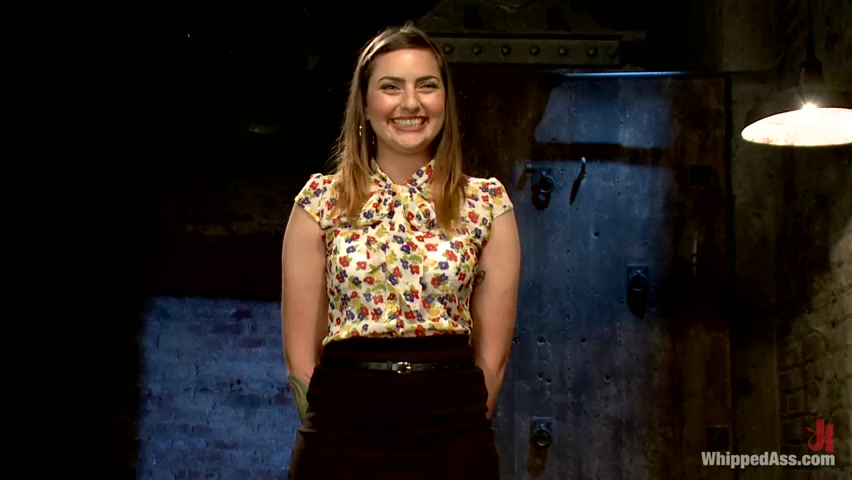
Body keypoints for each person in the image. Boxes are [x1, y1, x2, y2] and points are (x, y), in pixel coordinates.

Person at [281, 21, 521, 480]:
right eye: (391, 87)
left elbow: (493, 360)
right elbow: (300, 356)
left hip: (454, 434)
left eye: (426, 86)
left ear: (445, 100)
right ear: (364, 104)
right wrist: (328, 432)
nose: (410, 103)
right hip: (339, 434)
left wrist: (464, 432)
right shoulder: (320, 202)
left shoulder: (487, 205)